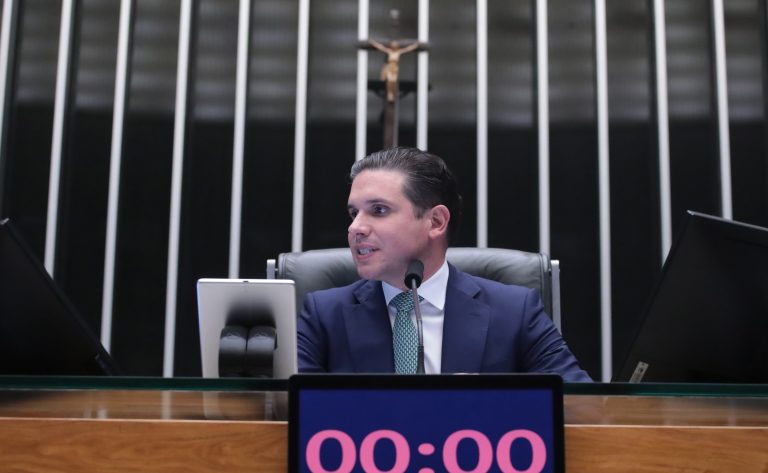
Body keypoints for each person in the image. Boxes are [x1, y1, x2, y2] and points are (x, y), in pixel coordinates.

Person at [296, 147, 591, 382]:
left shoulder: (515, 311)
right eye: (354, 213)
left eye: (379, 210)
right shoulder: (324, 315)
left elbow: (581, 408)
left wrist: (491, 402)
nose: (355, 228)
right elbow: (286, 414)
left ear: (436, 221)